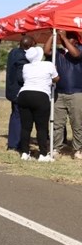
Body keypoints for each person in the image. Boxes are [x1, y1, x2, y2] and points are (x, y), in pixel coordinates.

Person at [43, 30, 82, 159]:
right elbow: (46, 51)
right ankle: (56, 148)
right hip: (59, 93)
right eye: (65, 38)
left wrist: (64, 38)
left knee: (77, 123)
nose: (65, 40)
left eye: (70, 38)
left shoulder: (79, 49)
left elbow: (76, 54)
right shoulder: (58, 53)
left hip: (76, 93)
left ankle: (78, 149)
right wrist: (52, 35)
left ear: (76, 41)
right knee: (57, 123)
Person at [17, 47, 59, 161]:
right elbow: (56, 78)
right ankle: (43, 154)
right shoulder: (48, 64)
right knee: (41, 128)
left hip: (24, 95)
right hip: (41, 95)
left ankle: (25, 153)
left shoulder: (26, 67)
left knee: (26, 127)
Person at [5, 35, 36, 150]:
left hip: (12, 90)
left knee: (15, 116)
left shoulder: (13, 52)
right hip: (19, 91)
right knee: (20, 117)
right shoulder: (22, 58)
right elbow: (21, 77)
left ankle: (13, 143)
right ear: (29, 46)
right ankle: (16, 144)